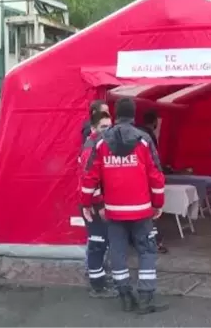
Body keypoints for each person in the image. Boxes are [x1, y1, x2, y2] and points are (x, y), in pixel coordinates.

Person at [80, 97, 168, 314]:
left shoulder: (101, 141)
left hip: (114, 210)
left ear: (115, 114)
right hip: (141, 209)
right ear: (134, 113)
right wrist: (158, 203)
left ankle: (125, 296)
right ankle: (146, 298)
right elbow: (156, 176)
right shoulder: (144, 140)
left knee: (118, 252)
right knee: (146, 251)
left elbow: (89, 176)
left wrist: (85, 203)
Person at [78, 110, 116, 299]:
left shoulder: (100, 145)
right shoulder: (92, 148)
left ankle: (99, 279)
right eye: (103, 127)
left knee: (102, 242)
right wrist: (98, 206)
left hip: (97, 203)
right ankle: (97, 286)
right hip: (93, 205)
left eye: (110, 127)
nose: (107, 131)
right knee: (97, 243)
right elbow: (89, 181)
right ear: (93, 128)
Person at [137, 109, 168, 254]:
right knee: (151, 213)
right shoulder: (148, 136)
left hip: (135, 179)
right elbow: (154, 161)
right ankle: (154, 242)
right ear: (154, 122)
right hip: (146, 179)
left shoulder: (136, 132)